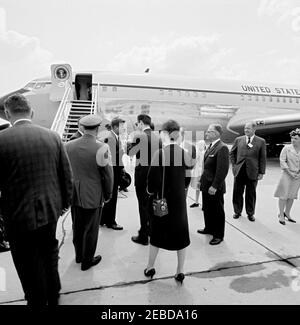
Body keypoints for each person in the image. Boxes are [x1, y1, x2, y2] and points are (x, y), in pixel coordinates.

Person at [0, 94, 73, 305]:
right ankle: (53, 295)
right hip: (49, 212)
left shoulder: (2, 141)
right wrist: (63, 205)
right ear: (31, 112)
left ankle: (36, 299)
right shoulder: (52, 137)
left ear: (7, 114)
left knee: (26, 262)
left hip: (17, 217)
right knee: (49, 253)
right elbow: (66, 176)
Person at [65, 114, 113, 271]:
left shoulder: (68, 145)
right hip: (93, 193)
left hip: (75, 193)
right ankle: (87, 260)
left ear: (83, 128)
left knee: (77, 226)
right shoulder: (101, 147)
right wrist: (108, 194)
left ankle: (79, 255)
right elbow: (107, 174)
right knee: (91, 229)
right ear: (97, 128)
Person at [145, 120, 190, 284]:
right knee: (181, 236)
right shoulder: (184, 153)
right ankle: (180, 270)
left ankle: (150, 267)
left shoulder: (160, 153)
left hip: (162, 202)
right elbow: (188, 177)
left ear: (165, 133)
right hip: (179, 202)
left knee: (156, 235)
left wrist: (151, 192)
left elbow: (152, 180)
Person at [126, 114, 162, 245]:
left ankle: (143, 235)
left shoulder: (140, 136)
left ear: (140, 123)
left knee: (143, 205)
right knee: (152, 205)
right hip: (154, 176)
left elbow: (130, 153)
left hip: (142, 176)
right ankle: (152, 231)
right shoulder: (157, 137)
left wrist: (130, 140)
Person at [198, 124, 229, 245]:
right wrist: (202, 180)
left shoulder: (222, 148)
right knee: (207, 208)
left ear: (216, 133)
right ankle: (209, 228)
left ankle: (218, 235)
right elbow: (207, 167)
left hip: (214, 187)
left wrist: (215, 186)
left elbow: (222, 170)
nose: (206, 134)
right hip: (206, 185)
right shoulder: (211, 146)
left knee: (217, 211)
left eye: (209, 132)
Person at [230, 121, 267, 222]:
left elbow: (262, 158)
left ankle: (250, 213)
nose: (246, 130)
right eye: (245, 128)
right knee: (237, 192)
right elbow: (232, 153)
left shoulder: (261, 141)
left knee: (251, 193)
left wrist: (261, 172)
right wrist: (234, 166)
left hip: (253, 171)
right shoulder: (238, 140)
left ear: (254, 129)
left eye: (248, 128)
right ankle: (237, 211)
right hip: (239, 171)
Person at [100, 117, 126, 230]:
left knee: (110, 196)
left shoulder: (115, 136)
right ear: (115, 127)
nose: (124, 129)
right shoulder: (111, 138)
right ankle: (111, 222)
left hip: (115, 170)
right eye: (122, 127)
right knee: (113, 197)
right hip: (113, 172)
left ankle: (103, 219)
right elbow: (111, 158)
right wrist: (123, 151)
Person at [274, 128, 300, 225]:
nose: (293, 140)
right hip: (287, 175)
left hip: (297, 176)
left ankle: (287, 213)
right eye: (292, 138)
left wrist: (298, 174)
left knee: (292, 196)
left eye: (296, 138)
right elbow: (282, 161)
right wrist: (290, 173)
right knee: (283, 195)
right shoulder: (286, 148)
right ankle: (281, 214)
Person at [190, 139, 207, 207]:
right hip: (200, 172)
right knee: (199, 188)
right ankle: (197, 202)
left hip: (199, 172)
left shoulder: (201, 153)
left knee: (199, 188)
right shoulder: (204, 152)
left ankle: (198, 202)